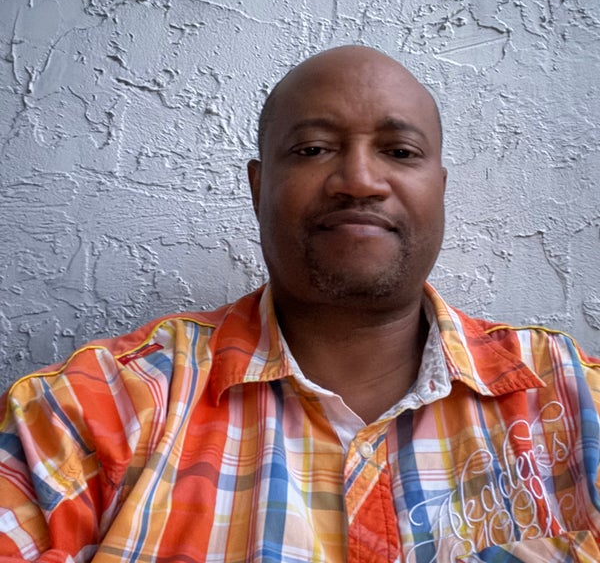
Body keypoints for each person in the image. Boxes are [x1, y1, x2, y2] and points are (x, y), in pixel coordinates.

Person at [1, 45, 599, 563]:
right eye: (313, 149)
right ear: (258, 187)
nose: (360, 180)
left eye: (400, 152)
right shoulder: (83, 416)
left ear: (439, 190)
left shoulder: (576, 402)